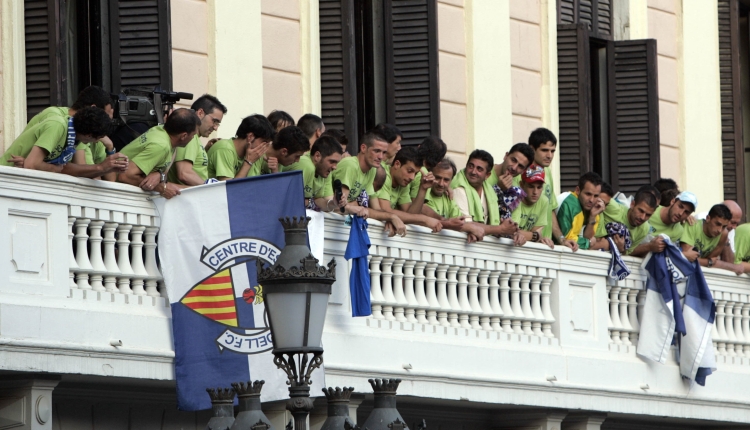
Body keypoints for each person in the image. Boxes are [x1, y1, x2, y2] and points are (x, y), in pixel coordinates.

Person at [0, 107, 127, 178]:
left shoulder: (75, 137)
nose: (97, 142)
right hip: (7, 181)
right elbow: (31, 165)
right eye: (98, 139)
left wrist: (102, 168)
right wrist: (52, 168)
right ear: (90, 136)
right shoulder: (58, 125)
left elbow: (67, 169)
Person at [331, 131, 406, 237]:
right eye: (376, 151)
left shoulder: (372, 170)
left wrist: (388, 217)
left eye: (384, 152)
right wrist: (390, 216)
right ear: (363, 148)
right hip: (331, 225)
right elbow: (340, 207)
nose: (380, 156)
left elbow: (375, 208)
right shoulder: (350, 165)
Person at [116, 108, 200, 199]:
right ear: (183, 136)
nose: (193, 138)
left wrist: (160, 175)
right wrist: (161, 188)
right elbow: (124, 176)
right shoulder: (161, 146)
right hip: (115, 194)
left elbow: (168, 160)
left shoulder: (163, 131)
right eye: (193, 135)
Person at [451, 149, 521, 242]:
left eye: (479, 169)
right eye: (471, 166)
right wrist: (500, 229)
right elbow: (467, 225)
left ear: (487, 175)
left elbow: (493, 224)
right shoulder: (459, 188)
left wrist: (513, 232)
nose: (473, 172)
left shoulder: (489, 191)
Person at [371, 146, 443, 232]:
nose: (412, 177)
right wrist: (424, 219)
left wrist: (423, 188)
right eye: (409, 171)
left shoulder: (403, 183)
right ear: (397, 164)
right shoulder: (384, 175)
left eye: (415, 173)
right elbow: (386, 211)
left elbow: (411, 215)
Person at [422, 159, 485, 242]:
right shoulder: (424, 193)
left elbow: (459, 222)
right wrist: (470, 228)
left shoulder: (448, 197)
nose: (441, 184)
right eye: (437, 178)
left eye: (446, 180)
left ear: (451, 180)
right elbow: (438, 221)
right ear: (430, 175)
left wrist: (469, 230)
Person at [169, 94, 227, 186]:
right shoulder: (190, 138)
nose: (215, 128)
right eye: (214, 121)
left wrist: (204, 150)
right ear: (200, 113)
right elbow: (184, 173)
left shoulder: (194, 139)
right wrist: (210, 187)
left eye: (218, 124)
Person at [517, 128, 560, 240]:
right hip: (522, 243)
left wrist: (561, 238)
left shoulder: (548, 173)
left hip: (546, 243)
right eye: (545, 150)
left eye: (552, 151)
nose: (549, 155)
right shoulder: (519, 174)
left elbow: (551, 210)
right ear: (532, 149)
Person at [594, 188, 660, 256]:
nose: (642, 217)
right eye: (641, 211)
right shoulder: (614, 208)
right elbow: (594, 193)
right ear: (632, 204)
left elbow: (628, 253)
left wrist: (621, 249)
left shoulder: (644, 228)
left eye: (648, 215)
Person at [207, 114, 274, 181]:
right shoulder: (224, 149)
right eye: (264, 142)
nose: (266, 148)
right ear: (250, 137)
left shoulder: (253, 154)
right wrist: (248, 162)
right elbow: (230, 189)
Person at [286, 135, 344, 210]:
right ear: (317, 156)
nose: (334, 167)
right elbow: (294, 201)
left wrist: (334, 203)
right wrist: (310, 202)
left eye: (336, 163)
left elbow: (319, 201)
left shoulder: (325, 171)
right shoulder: (306, 165)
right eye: (332, 161)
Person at [680, 204, 741, 273]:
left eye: (724, 227)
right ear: (708, 218)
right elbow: (688, 259)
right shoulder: (692, 224)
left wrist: (708, 262)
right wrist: (708, 262)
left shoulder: (723, 234)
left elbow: (711, 261)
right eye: (717, 224)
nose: (720, 230)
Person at [556, 172, 605, 251]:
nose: (591, 200)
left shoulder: (595, 209)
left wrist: (592, 217)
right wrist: (587, 242)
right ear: (578, 190)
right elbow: (568, 240)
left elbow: (587, 238)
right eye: (588, 194)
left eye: (596, 196)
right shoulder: (569, 203)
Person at [512, 164, 555, 248]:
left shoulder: (544, 201)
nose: (535, 192)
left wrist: (539, 238)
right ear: (521, 185)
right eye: (531, 187)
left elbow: (538, 233)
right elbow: (510, 232)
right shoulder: (514, 197)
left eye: (539, 187)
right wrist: (535, 236)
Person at [372, 123, 404, 191]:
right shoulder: (376, 169)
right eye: (397, 143)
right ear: (386, 142)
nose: (399, 147)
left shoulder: (386, 164)